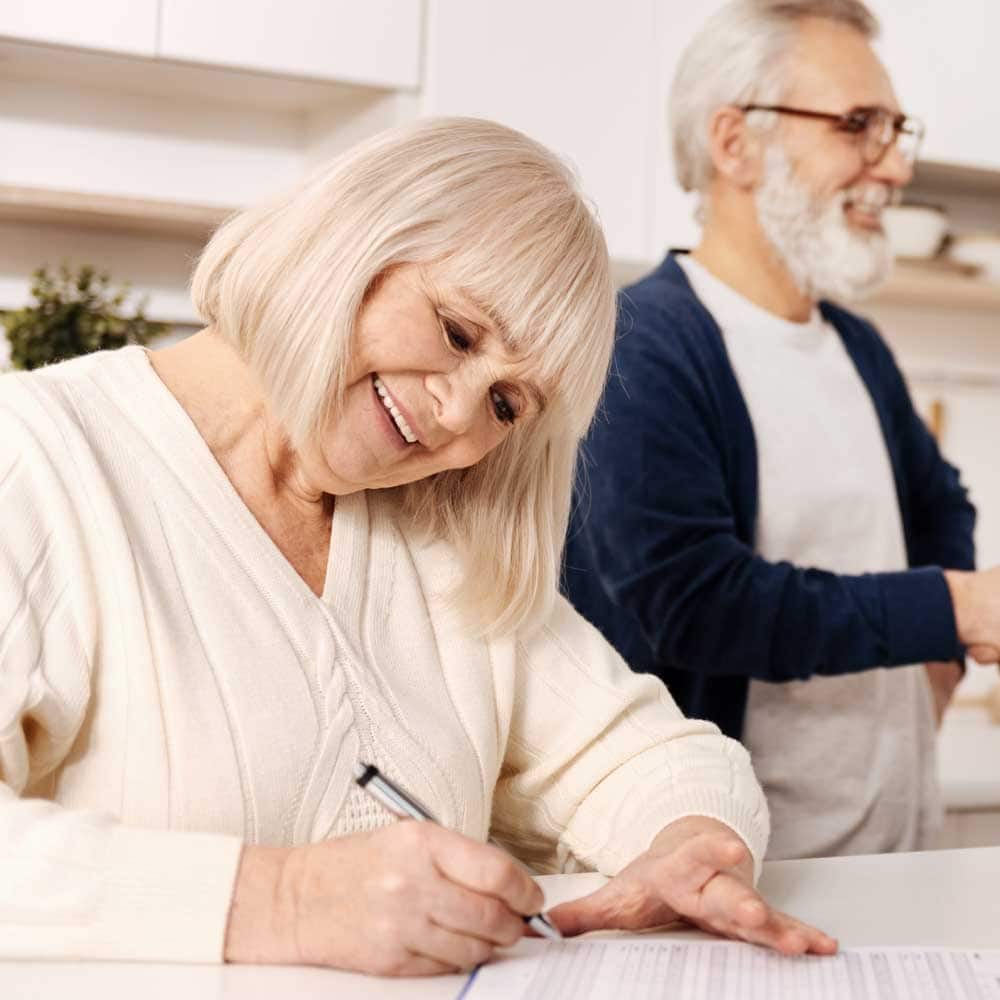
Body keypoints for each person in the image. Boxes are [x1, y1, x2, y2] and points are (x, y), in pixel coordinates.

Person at [0, 117, 836, 976]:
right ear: (350, 242)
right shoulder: (34, 459)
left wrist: (691, 841)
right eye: (458, 333)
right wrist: (282, 902)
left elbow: (650, 754)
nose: (457, 414)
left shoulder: (433, 533)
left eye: (508, 405)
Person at [563, 0, 1000, 863]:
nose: (892, 164)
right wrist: (953, 608)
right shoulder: (642, 346)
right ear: (735, 144)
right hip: (746, 869)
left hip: (894, 848)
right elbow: (693, 600)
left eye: (895, 128)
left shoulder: (856, 345)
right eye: (857, 125)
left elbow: (940, 501)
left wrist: (939, 664)